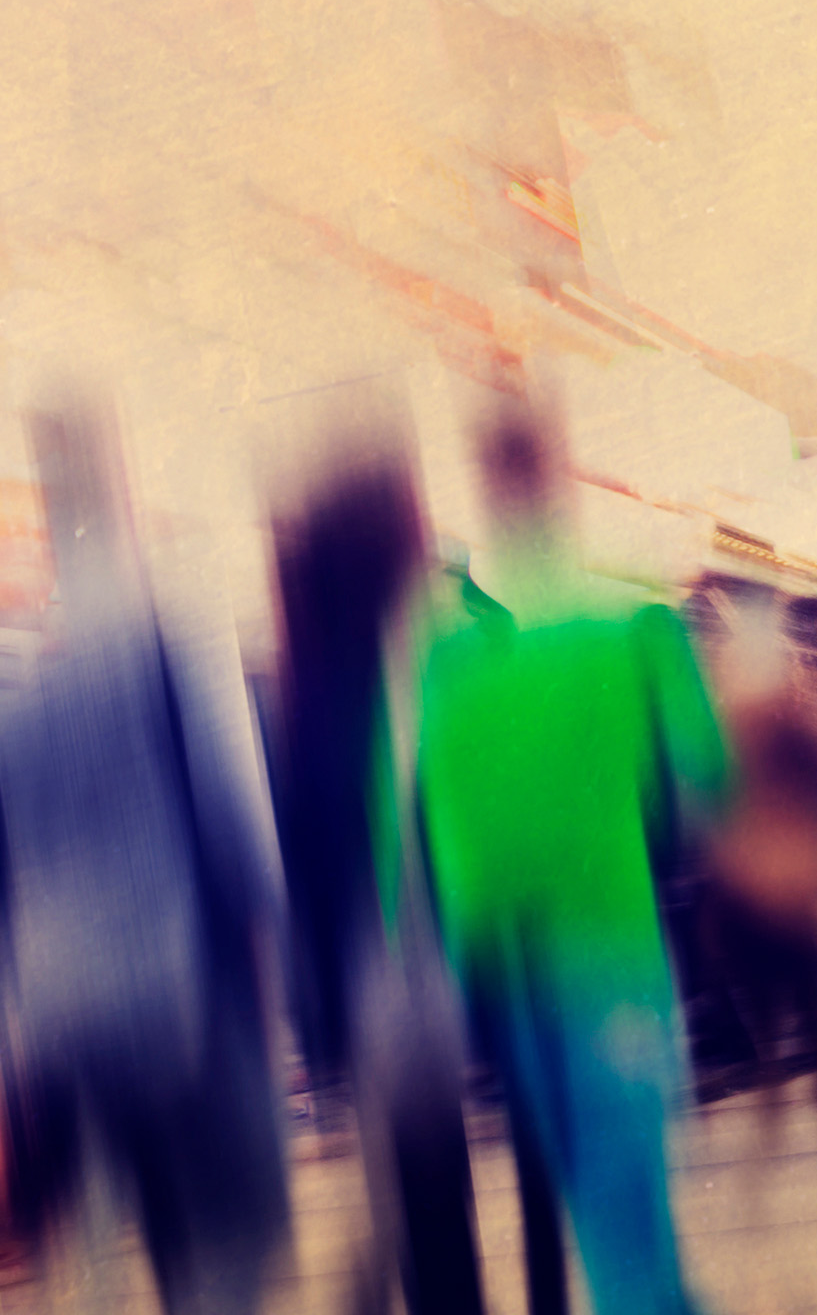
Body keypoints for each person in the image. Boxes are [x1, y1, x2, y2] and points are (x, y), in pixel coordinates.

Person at [414, 401, 729, 1315]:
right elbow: (712, 781)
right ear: (560, 482)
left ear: (484, 491)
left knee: (599, 1210)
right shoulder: (631, 626)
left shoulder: (445, 661)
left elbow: (440, 837)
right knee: (634, 1205)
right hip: (615, 942)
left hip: (513, 967)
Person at [0, 393, 291, 1315]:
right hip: (180, 1002)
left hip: (63, 1021)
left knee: (135, 1242)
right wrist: (271, 986)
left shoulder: (21, 682)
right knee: (229, 1240)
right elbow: (238, 834)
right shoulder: (174, 640)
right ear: (122, 483)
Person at [271, 446, 484, 1315]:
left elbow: (306, 872)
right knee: (437, 1213)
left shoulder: (309, 684)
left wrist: (321, 1023)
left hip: (371, 987)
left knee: (422, 1212)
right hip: (426, 972)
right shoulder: (424, 658)